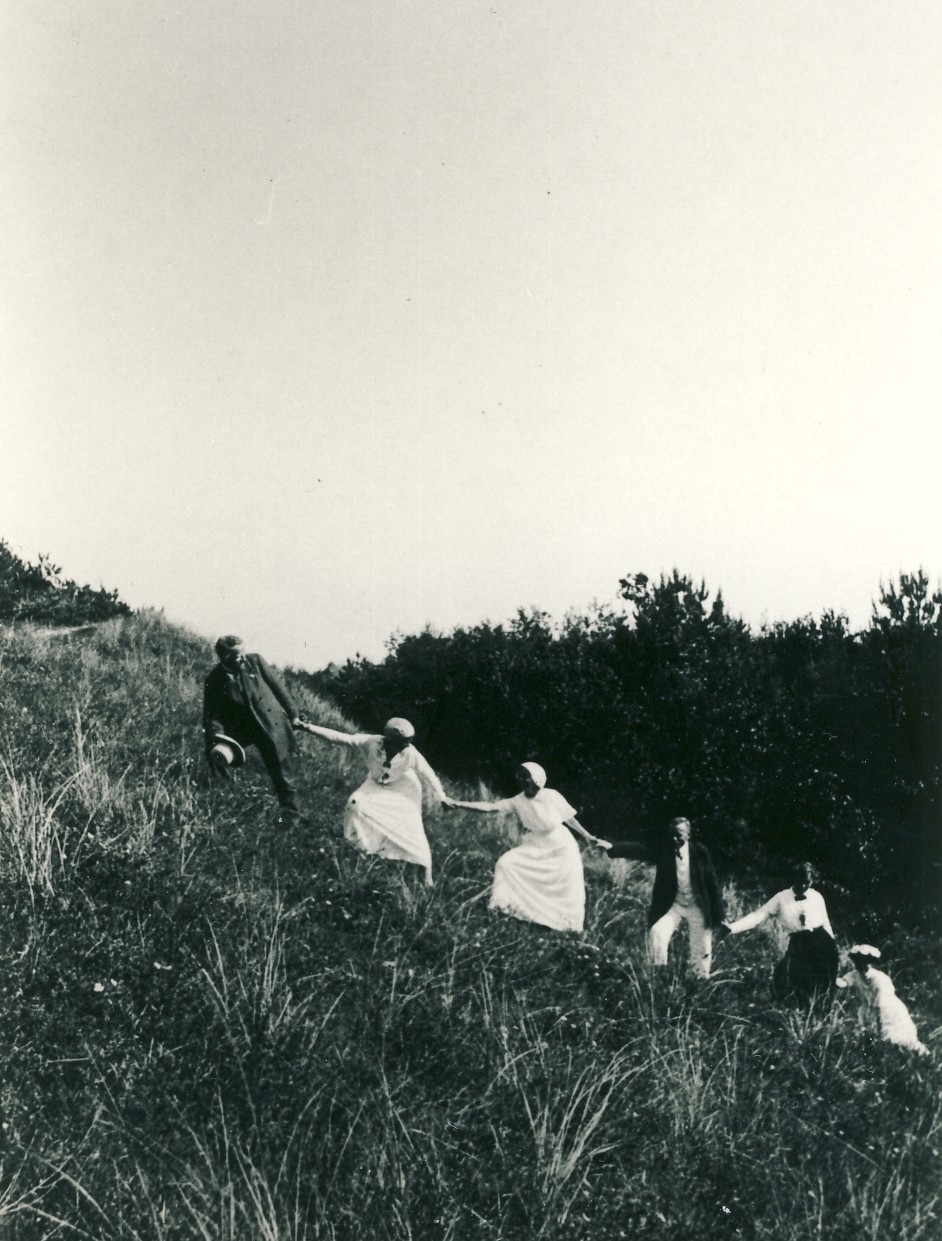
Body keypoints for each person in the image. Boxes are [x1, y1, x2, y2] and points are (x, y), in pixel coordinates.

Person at [445, 763, 611, 933]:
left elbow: (569, 819)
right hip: (535, 844)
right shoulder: (518, 800)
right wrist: (458, 804)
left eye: (527, 776)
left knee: (562, 887)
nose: (523, 780)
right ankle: (505, 907)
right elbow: (491, 807)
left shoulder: (551, 795)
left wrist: (588, 837)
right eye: (521, 776)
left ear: (537, 778)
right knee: (506, 863)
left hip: (561, 846)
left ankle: (564, 924)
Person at [297, 716, 445, 884]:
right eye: (402, 742)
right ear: (389, 740)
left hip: (404, 789)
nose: (406, 746)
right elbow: (341, 737)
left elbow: (428, 774)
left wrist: (442, 797)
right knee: (355, 804)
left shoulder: (411, 753)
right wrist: (307, 727)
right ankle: (357, 847)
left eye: (408, 742)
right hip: (375, 784)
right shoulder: (371, 742)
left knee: (412, 828)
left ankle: (426, 874)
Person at [604, 817, 724, 977]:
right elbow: (640, 849)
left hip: (697, 906)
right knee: (657, 933)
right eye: (672, 835)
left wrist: (720, 915)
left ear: (688, 834)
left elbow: (712, 883)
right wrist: (612, 848)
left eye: (679, 835)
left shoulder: (700, 852)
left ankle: (698, 981)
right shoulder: (664, 849)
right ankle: (659, 976)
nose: (674, 839)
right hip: (673, 905)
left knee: (702, 949)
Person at [202, 634, 303, 820]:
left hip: (269, 723)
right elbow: (212, 715)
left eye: (243, 653)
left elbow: (279, 688)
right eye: (237, 656)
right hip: (243, 729)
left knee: (282, 772)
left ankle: (292, 816)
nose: (243, 658)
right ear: (224, 657)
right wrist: (217, 738)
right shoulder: (214, 680)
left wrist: (294, 715)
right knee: (214, 753)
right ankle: (225, 799)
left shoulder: (255, 661)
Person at [717, 862, 839, 1004]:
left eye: (807, 882)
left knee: (823, 983)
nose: (803, 885)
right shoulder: (781, 898)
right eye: (800, 881)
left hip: (822, 943)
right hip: (798, 944)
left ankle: (820, 1011)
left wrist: (834, 948)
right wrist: (733, 928)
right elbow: (759, 915)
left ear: (812, 880)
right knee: (784, 977)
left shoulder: (817, 896)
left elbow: (825, 922)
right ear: (794, 878)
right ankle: (787, 1008)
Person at [837, 944, 929, 1055]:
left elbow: (880, 1007)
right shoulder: (855, 974)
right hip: (870, 1010)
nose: (860, 965)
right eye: (857, 961)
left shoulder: (880, 980)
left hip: (889, 1011)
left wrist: (878, 1028)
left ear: (870, 963)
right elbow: (843, 982)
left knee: (900, 1038)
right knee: (871, 1038)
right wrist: (831, 978)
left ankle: (924, 1055)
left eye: (864, 962)